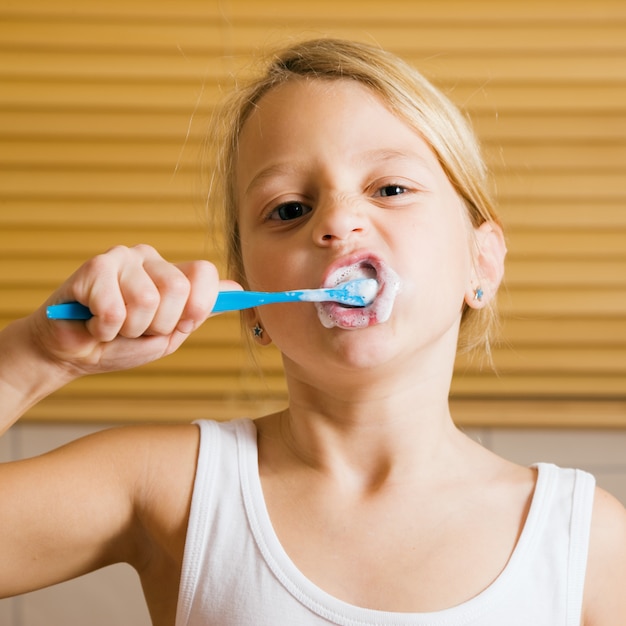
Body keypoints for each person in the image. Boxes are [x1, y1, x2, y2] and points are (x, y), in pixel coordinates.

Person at [0, 38, 625, 626]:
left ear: (481, 263)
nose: (339, 222)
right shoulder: (171, 486)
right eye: (290, 209)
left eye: (391, 188)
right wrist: (37, 357)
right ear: (251, 306)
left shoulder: (583, 540)